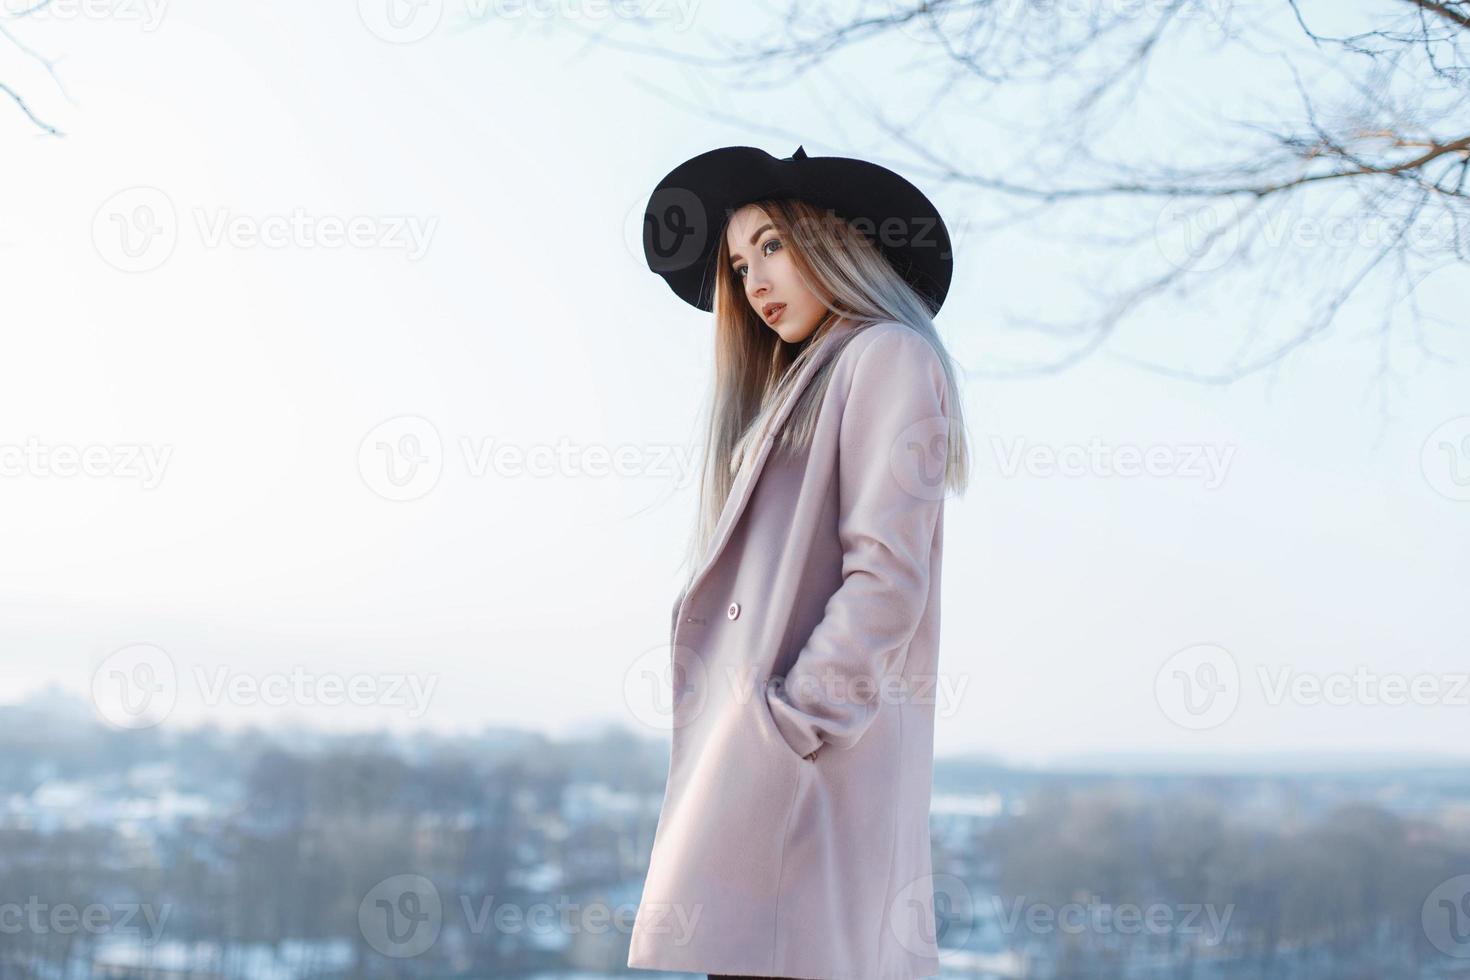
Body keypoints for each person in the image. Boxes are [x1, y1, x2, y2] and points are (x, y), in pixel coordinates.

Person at [628, 144, 971, 980]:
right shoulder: (796, 386)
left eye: (773, 245)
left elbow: (886, 580)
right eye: (740, 263)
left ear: (835, 242)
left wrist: (787, 725)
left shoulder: (886, 356)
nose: (753, 280)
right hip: (764, 777)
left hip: (806, 778)